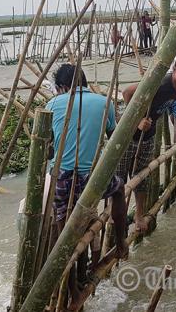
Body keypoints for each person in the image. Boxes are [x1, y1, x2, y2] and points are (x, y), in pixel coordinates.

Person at [45, 64, 128, 304]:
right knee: (119, 190)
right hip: (94, 180)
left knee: (64, 236)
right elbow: (114, 137)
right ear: (83, 82)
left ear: (61, 87)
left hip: (63, 180)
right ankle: (121, 242)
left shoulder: (52, 105)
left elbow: (46, 145)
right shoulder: (104, 103)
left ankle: (72, 293)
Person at [117, 52, 176, 233]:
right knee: (119, 183)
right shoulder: (162, 84)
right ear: (175, 69)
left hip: (148, 137)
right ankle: (117, 222)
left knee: (141, 179)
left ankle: (138, 216)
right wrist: (138, 120)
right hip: (127, 138)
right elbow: (127, 92)